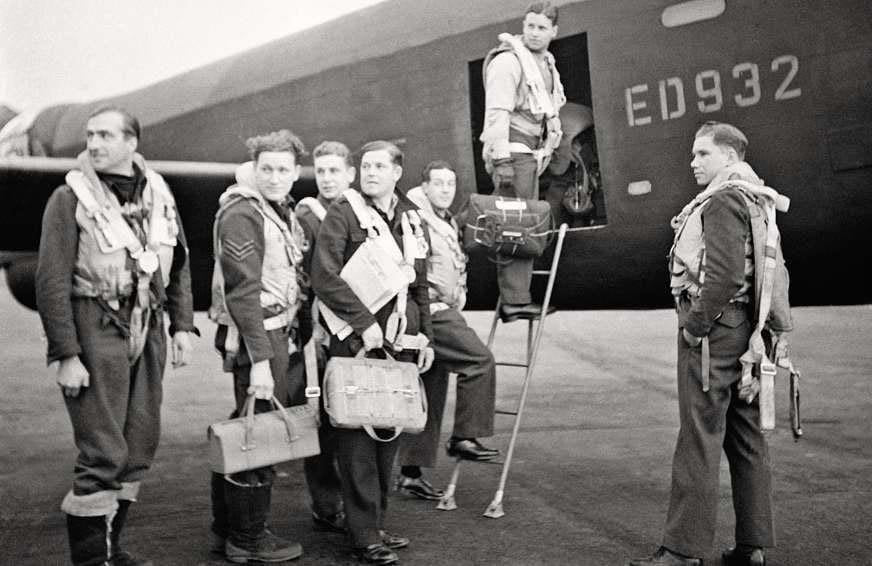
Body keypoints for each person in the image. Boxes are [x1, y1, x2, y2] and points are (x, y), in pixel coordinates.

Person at [35, 106, 196, 566]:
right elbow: (51, 282)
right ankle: (91, 561)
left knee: (139, 444)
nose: (94, 144)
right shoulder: (69, 199)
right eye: (90, 135)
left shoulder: (159, 193)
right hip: (94, 327)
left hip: (148, 327)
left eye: (105, 135)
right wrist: (66, 353)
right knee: (103, 450)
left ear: (132, 143)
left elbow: (179, 263)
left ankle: (111, 549)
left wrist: (182, 325)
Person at [629, 122, 794, 566]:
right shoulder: (756, 198)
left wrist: (694, 327)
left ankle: (682, 553)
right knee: (747, 440)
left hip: (714, 336)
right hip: (747, 335)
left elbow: (722, 277)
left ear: (728, 156)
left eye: (703, 154)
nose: (693, 163)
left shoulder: (722, 200)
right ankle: (752, 547)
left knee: (699, 439)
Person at [311, 140, 434, 565]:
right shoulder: (344, 213)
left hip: (401, 340)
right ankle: (363, 534)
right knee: (357, 437)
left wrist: (427, 338)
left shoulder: (411, 218)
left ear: (398, 172)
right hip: (356, 340)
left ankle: (376, 522)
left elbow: (420, 285)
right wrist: (365, 326)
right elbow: (323, 277)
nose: (371, 173)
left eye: (380, 166)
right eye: (365, 166)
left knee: (390, 432)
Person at [208, 129, 308, 563]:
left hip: (276, 331)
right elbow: (242, 293)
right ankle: (248, 540)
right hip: (259, 336)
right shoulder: (242, 213)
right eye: (265, 168)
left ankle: (227, 527)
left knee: (245, 425)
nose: (274, 176)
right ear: (254, 169)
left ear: (294, 172)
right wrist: (262, 361)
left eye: (283, 169)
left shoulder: (276, 209)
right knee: (258, 432)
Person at [396, 161, 498, 500]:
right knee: (479, 360)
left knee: (431, 387)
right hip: (433, 310)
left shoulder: (443, 219)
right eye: (437, 183)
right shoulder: (416, 218)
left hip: (441, 308)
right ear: (424, 186)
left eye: (450, 184)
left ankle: (410, 473)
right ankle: (464, 437)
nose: (445, 189)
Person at [480, 0, 565, 323]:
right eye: (529, 25)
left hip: (531, 153)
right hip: (513, 153)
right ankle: (515, 301)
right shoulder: (509, 61)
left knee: (522, 223)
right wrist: (501, 160)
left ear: (553, 32)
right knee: (515, 228)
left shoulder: (545, 63)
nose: (534, 33)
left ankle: (517, 297)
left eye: (541, 27)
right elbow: (497, 112)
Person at [290, 141, 354, 534]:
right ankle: (327, 504)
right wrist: (308, 331)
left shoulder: (356, 212)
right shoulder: (306, 216)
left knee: (355, 415)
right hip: (317, 330)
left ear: (350, 173)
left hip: (354, 326)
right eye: (322, 171)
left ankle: (354, 500)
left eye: (335, 171)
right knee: (322, 419)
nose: (328, 178)